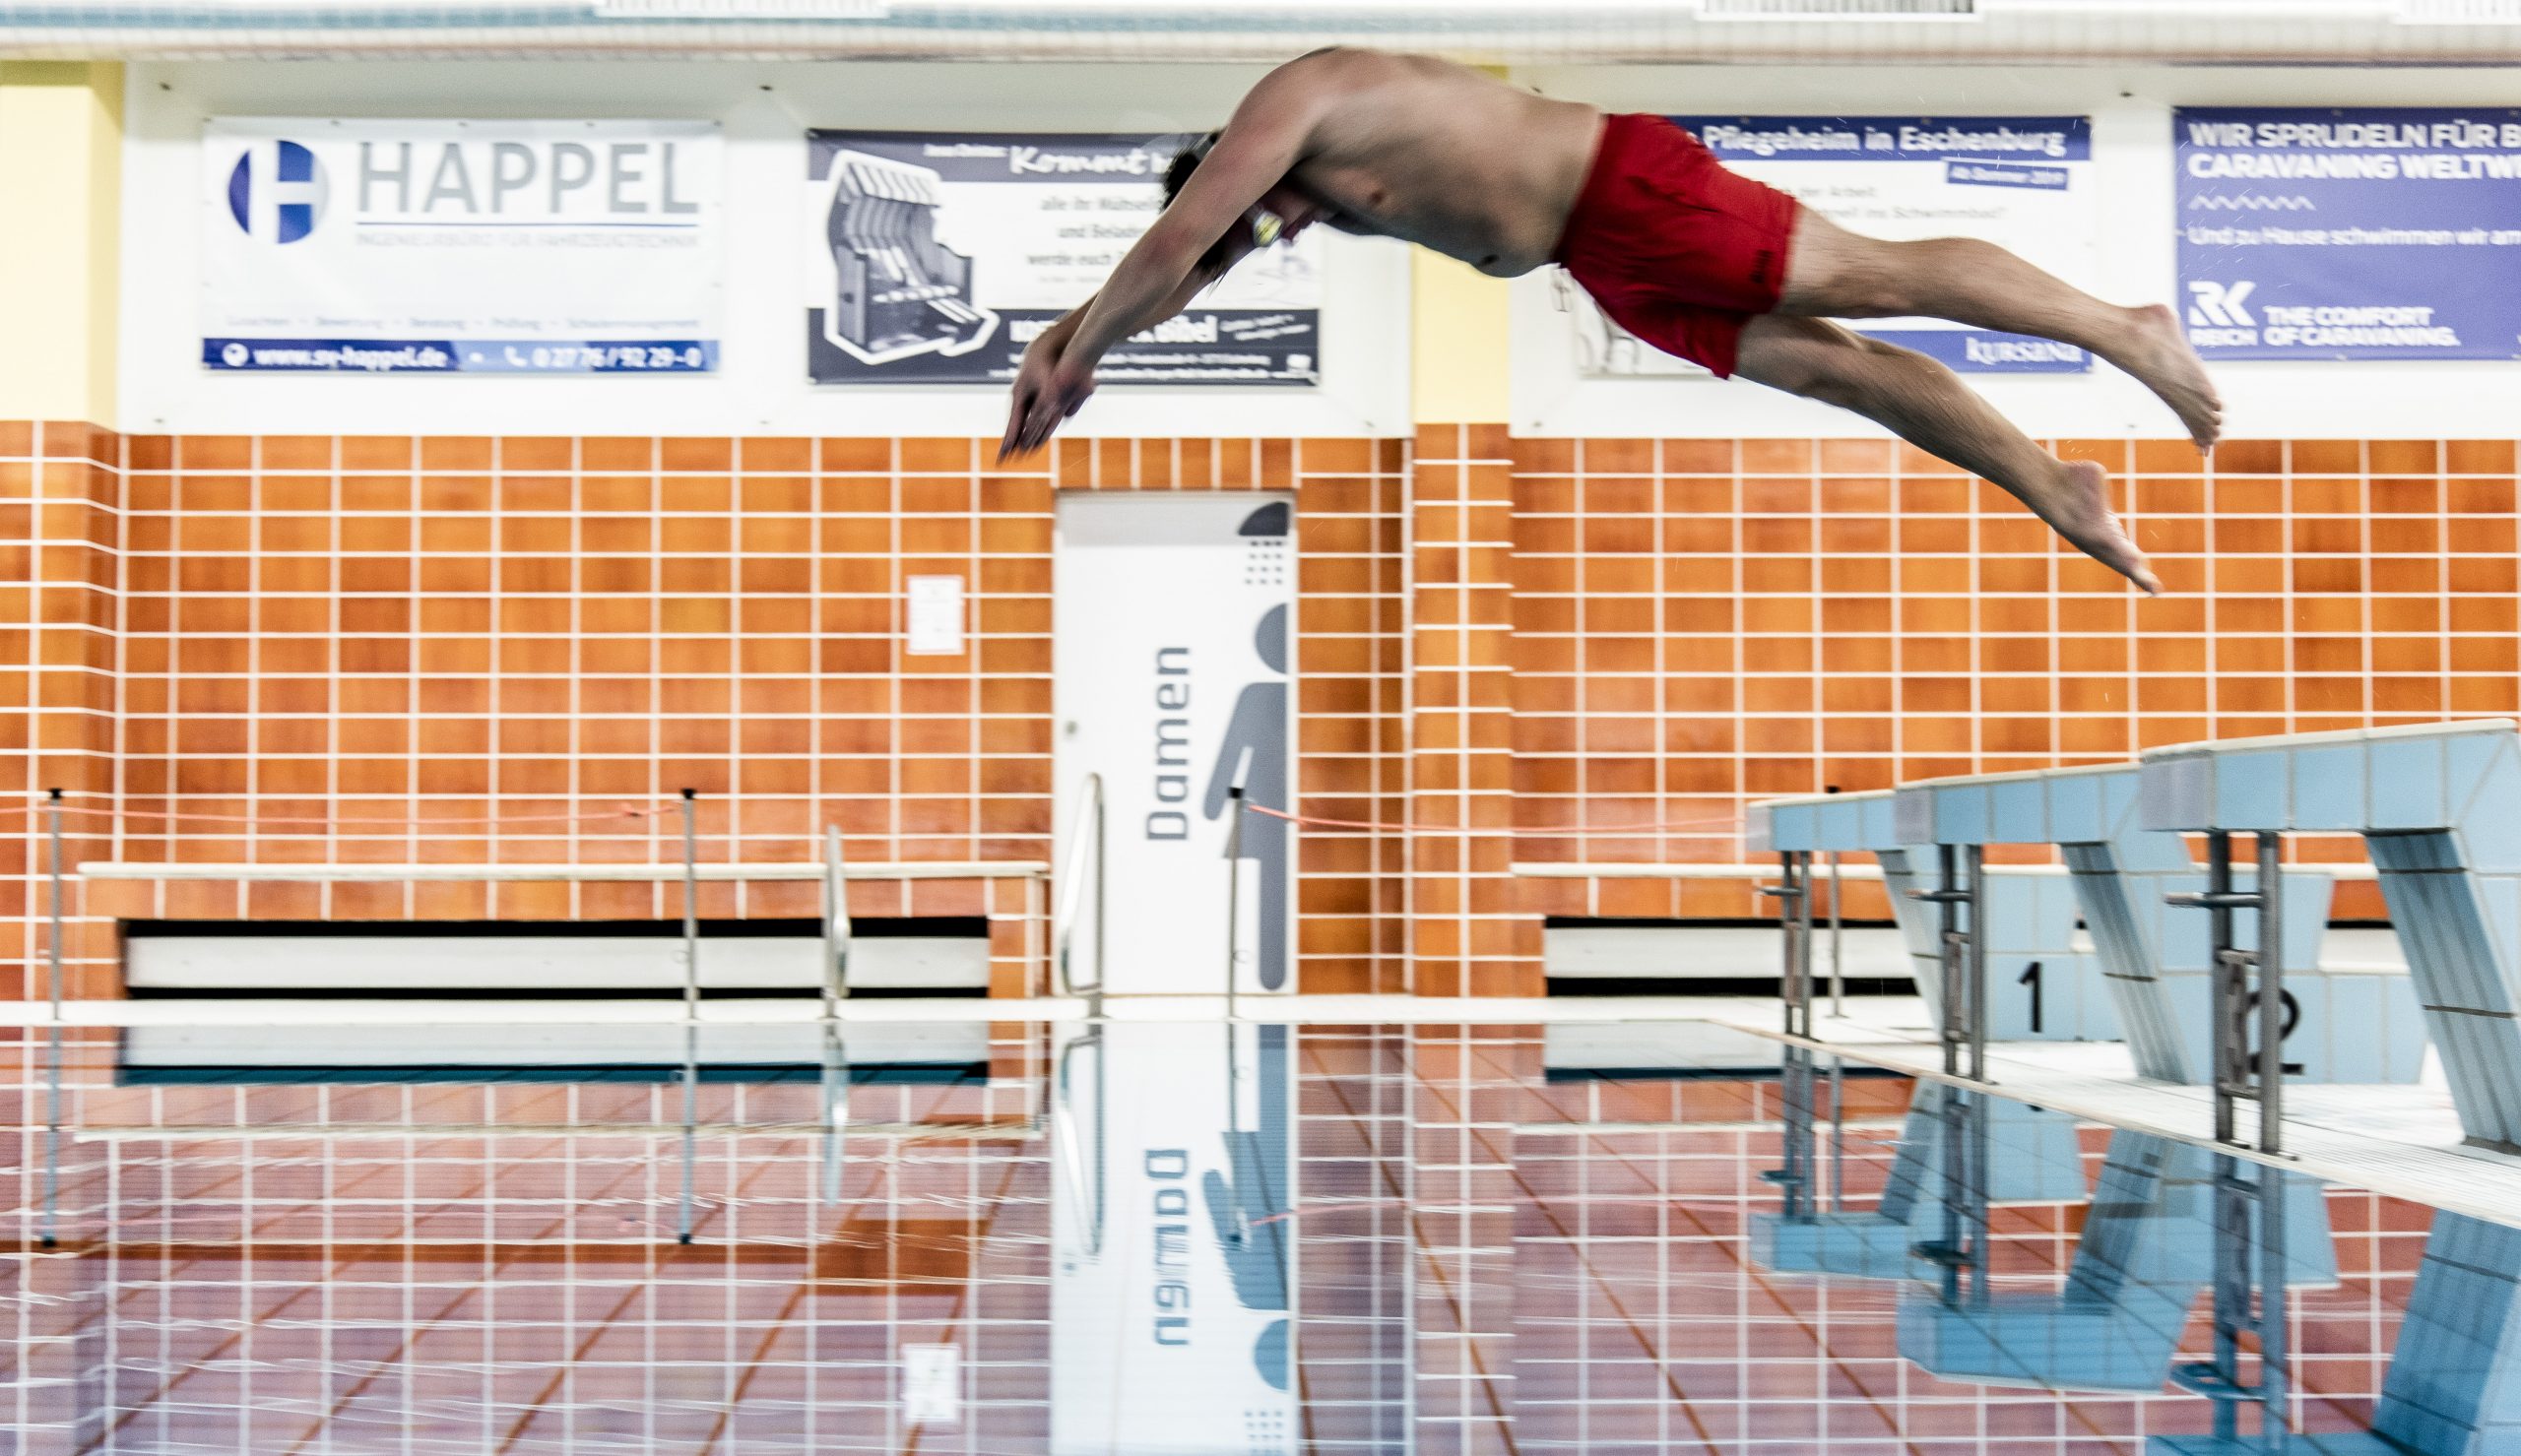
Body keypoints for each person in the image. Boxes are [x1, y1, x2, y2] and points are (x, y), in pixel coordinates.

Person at [1001, 48, 2224, 595]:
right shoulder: (1293, 194)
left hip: (1626, 188)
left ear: (1228, 161)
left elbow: (1169, 247)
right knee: (1833, 373)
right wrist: (1063, 338)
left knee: (1870, 275)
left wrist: (1081, 362)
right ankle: (2051, 484)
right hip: (1602, 261)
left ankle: (2122, 326)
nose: (1289, 232)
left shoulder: (1295, 99)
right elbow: (1179, 267)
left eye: (1261, 218)